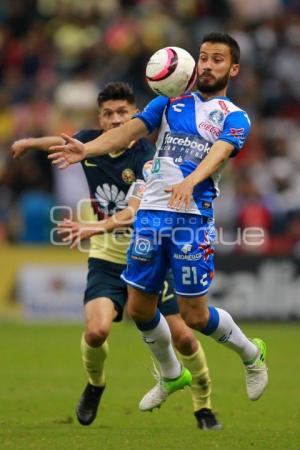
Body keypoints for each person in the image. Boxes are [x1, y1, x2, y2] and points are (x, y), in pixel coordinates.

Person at [48, 33, 269, 411]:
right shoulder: (168, 102)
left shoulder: (235, 116)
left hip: (192, 218)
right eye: (203, 57)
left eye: (217, 59)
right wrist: (87, 148)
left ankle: (251, 354)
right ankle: (170, 375)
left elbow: (221, 151)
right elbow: (129, 131)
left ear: (232, 69)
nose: (208, 65)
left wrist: (191, 180)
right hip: (150, 216)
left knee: (194, 317)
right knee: (138, 309)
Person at [11, 82, 221, 430]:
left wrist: (94, 228)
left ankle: (204, 406)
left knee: (184, 337)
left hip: (151, 255)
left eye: (123, 112)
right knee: (96, 332)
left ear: (135, 115)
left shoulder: (149, 160)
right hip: (107, 260)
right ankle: (95, 385)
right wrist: (29, 143)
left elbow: (136, 211)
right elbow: (63, 141)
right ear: (100, 119)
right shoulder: (90, 143)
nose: (115, 119)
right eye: (108, 114)